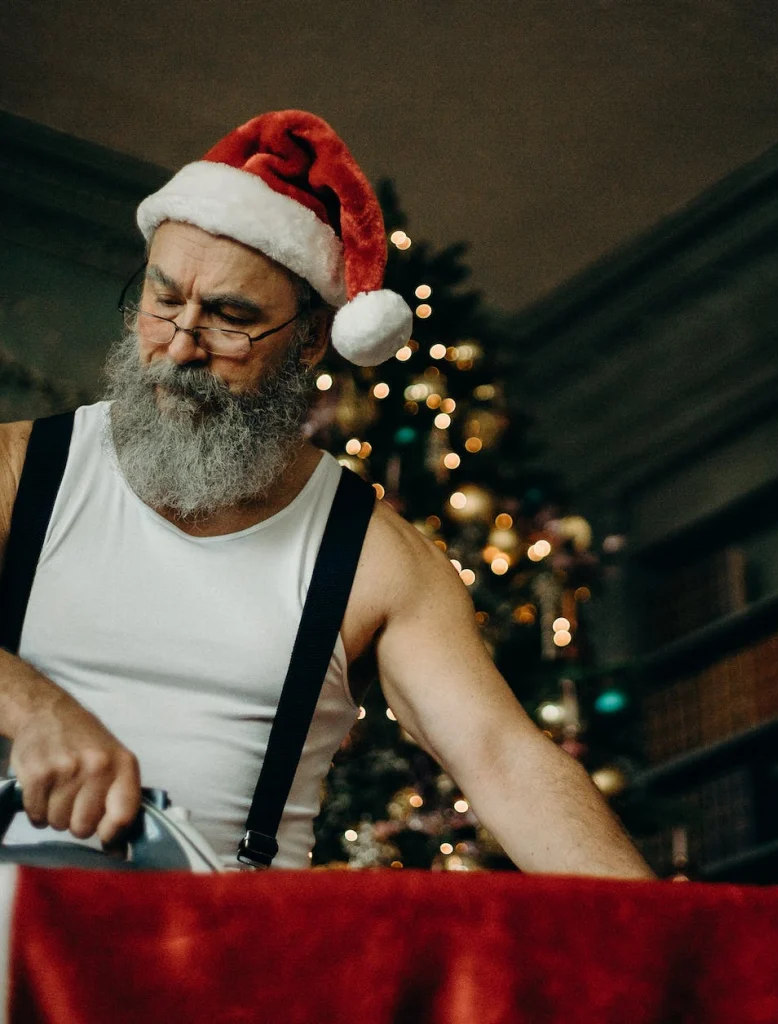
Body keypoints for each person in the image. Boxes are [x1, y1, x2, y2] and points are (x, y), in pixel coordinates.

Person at [0, 110, 654, 878]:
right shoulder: (19, 468)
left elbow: (502, 758)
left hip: (226, 971)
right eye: (163, 299)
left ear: (311, 340)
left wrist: (667, 955)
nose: (180, 345)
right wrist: (34, 706)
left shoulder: (373, 557)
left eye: (231, 320)